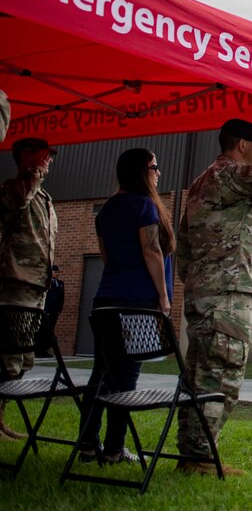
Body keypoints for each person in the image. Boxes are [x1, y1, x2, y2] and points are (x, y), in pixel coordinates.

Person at [175, 119, 252, 475]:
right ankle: (199, 457)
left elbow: (183, 243)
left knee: (198, 374)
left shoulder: (201, 181)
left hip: (202, 292)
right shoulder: (231, 173)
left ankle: (192, 455)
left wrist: (196, 280)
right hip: (225, 293)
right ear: (243, 144)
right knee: (222, 374)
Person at [76, 148, 173, 464]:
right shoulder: (144, 205)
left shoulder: (106, 210)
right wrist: (163, 296)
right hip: (137, 301)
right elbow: (151, 251)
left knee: (101, 373)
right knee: (126, 377)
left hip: (105, 298)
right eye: (154, 167)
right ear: (141, 171)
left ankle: (87, 445)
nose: (158, 173)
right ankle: (114, 449)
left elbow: (105, 257)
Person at [0, 137, 57, 440]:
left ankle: (1, 418)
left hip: (37, 286)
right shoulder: (14, 189)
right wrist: (32, 174)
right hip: (15, 282)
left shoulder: (44, 197)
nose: (50, 161)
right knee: (6, 356)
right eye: (45, 155)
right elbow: (17, 202)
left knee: (23, 358)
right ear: (26, 156)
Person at [34, 265, 65, 357]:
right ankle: (39, 351)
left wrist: (59, 309)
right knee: (43, 330)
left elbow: (61, 297)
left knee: (50, 330)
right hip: (47, 310)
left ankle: (45, 349)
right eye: (55, 272)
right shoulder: (47, 282)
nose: (57, 274)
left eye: (58, 272)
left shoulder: (60, 283)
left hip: (55, 311)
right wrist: (44, 309)